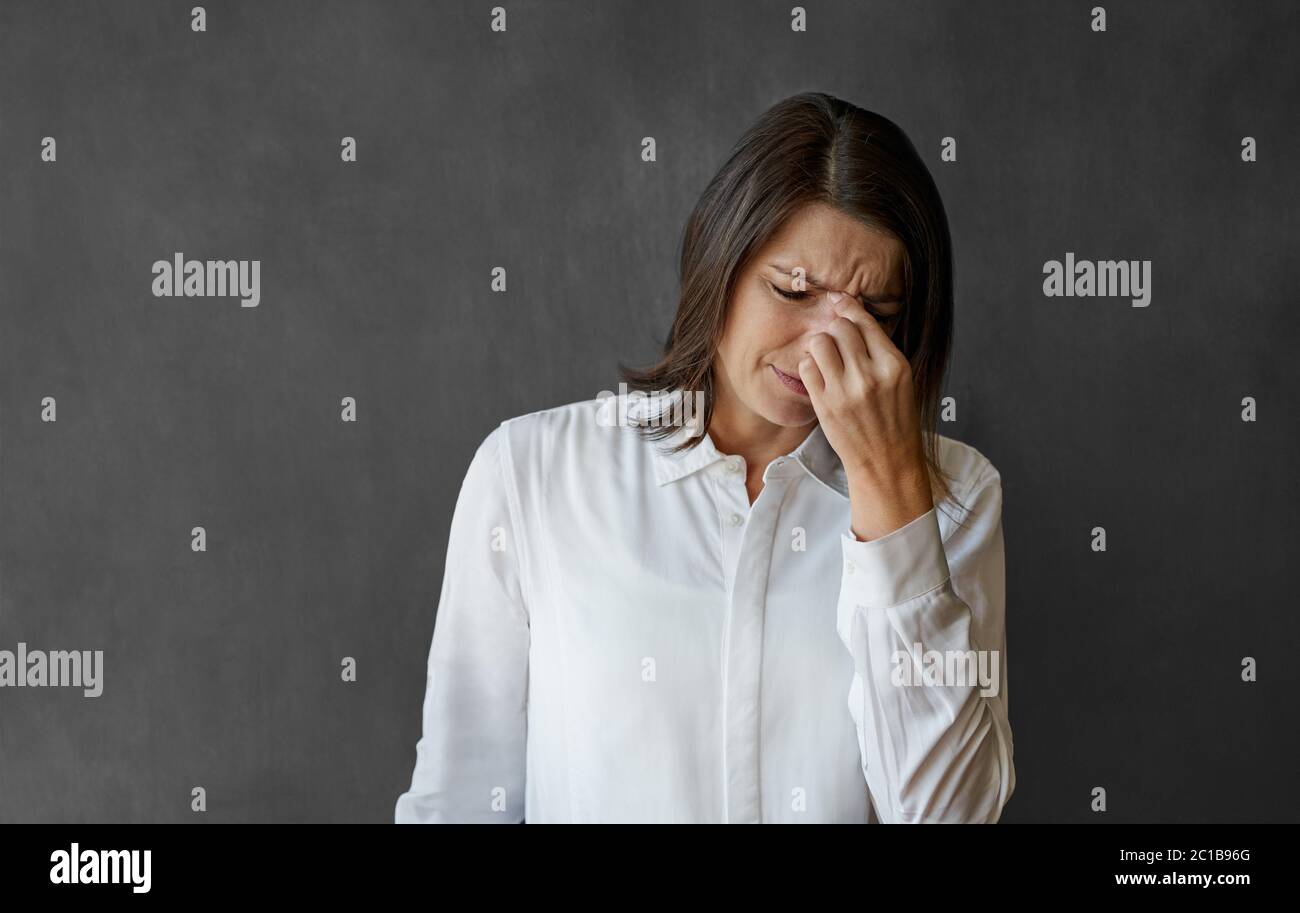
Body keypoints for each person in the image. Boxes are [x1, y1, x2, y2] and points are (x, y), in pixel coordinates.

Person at [395, 92, 1015, 823]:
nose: (826, 345)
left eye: (873, 315)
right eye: (793, 290)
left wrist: (891, 492)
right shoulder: (529, 475)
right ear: (720, 259)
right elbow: (461, 800)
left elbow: (950, 814)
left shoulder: (952, 494)